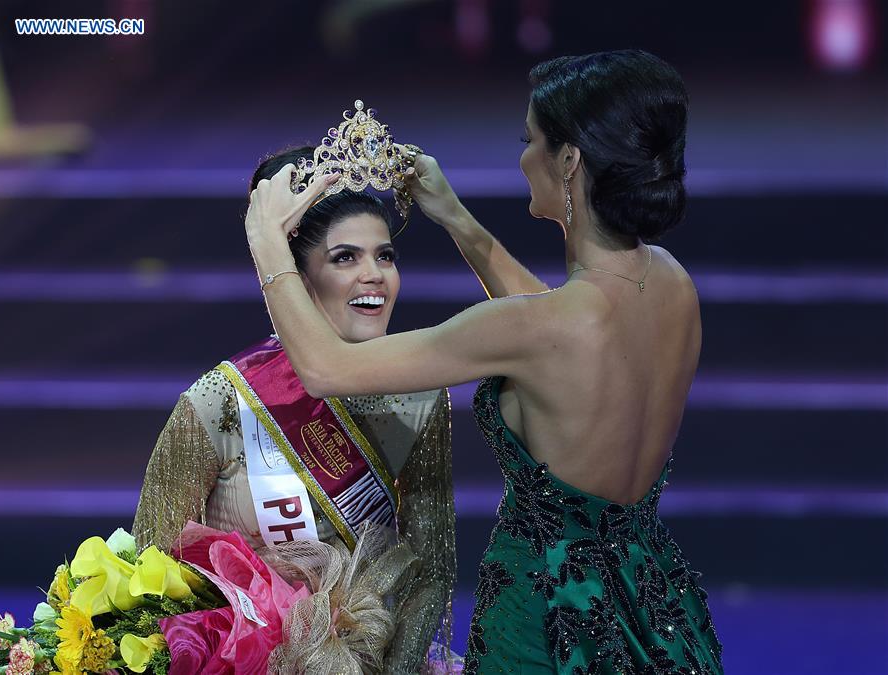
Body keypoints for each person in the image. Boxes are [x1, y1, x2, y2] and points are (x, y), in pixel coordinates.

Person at [245, 50, 723, 674]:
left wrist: (268, 245)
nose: (524, 158)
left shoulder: (536, 326)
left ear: (570, 161)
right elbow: (562, 326)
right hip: (651, 606)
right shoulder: (669, 283)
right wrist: (455, 217)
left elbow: (328, 367)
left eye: (531, 141)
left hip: (545, 625)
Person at [131, 146, 456, 674]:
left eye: (386, 255)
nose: (374, 274)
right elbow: (151, 570)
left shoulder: (419, 397)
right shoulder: (221, 399)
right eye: (345, 257)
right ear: (298, 278)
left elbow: (430, 570)